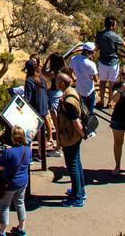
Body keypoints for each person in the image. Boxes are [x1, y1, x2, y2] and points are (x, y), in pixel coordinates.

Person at [52, 73, 87, 207]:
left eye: (57, 81)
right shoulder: (72, 91)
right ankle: (80, 191)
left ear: (62, 84)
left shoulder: (68, 101)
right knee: (77, 162)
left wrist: (83, 134)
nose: (55, 83)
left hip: (71, 137)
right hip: (74, 136)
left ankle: (77, 197)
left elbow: (76, 122)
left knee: (72, 166)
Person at [0, 125, 33, 235]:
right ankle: (21, 229)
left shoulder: (8, 153)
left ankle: (2, 231)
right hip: (23, 182)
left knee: (5, 206)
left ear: (13, 137)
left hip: (10, 184)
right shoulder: (27, 150)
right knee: (20, 203)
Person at [95, 16, 125, 107]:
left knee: (102, 82)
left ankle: (101, 101)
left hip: (102, 62)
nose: (116, 26)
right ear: (112, 26)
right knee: (111, 84)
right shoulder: (115, 37)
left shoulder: (99, 34)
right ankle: (110, 102)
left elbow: (97, 47)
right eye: (115, 25)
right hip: (113, 63)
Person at [68, 42, 99, 132]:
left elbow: (70, 71)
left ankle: (80, 127)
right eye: (92, 53)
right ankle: (89, 129)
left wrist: (74, 78)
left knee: (80, 110)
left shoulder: (74, 59)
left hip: (79, 89)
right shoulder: (91, 64)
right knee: (90, 111)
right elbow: (96, 79)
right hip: (89, 90)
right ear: (87, 52)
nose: (93, 55)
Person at [23, 57, 51, 154]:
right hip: (43, 108)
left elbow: (27, 98)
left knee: (30, 133)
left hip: (34, 110)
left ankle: (29, 155)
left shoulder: (29, 81)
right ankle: (41, 153)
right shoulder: (41, 78)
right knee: (41, 133)